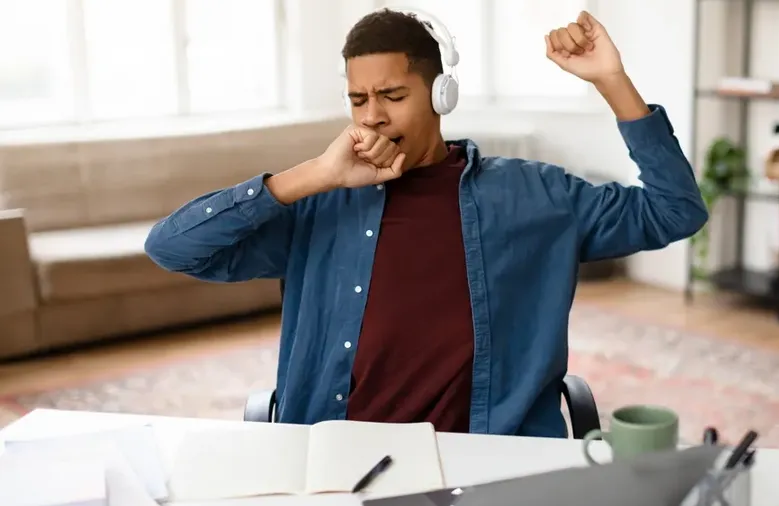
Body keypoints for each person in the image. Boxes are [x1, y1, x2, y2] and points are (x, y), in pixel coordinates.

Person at [144, 8, 708, 438]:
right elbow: (173, 248)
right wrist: (311, 176)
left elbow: (675, 210)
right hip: (339, 454)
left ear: (442, 94)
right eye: (358, 99)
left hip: (489, 457)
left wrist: (611, 80)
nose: (373, 116)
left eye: (393, 95)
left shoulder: (533, 195)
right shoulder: (319, 203)